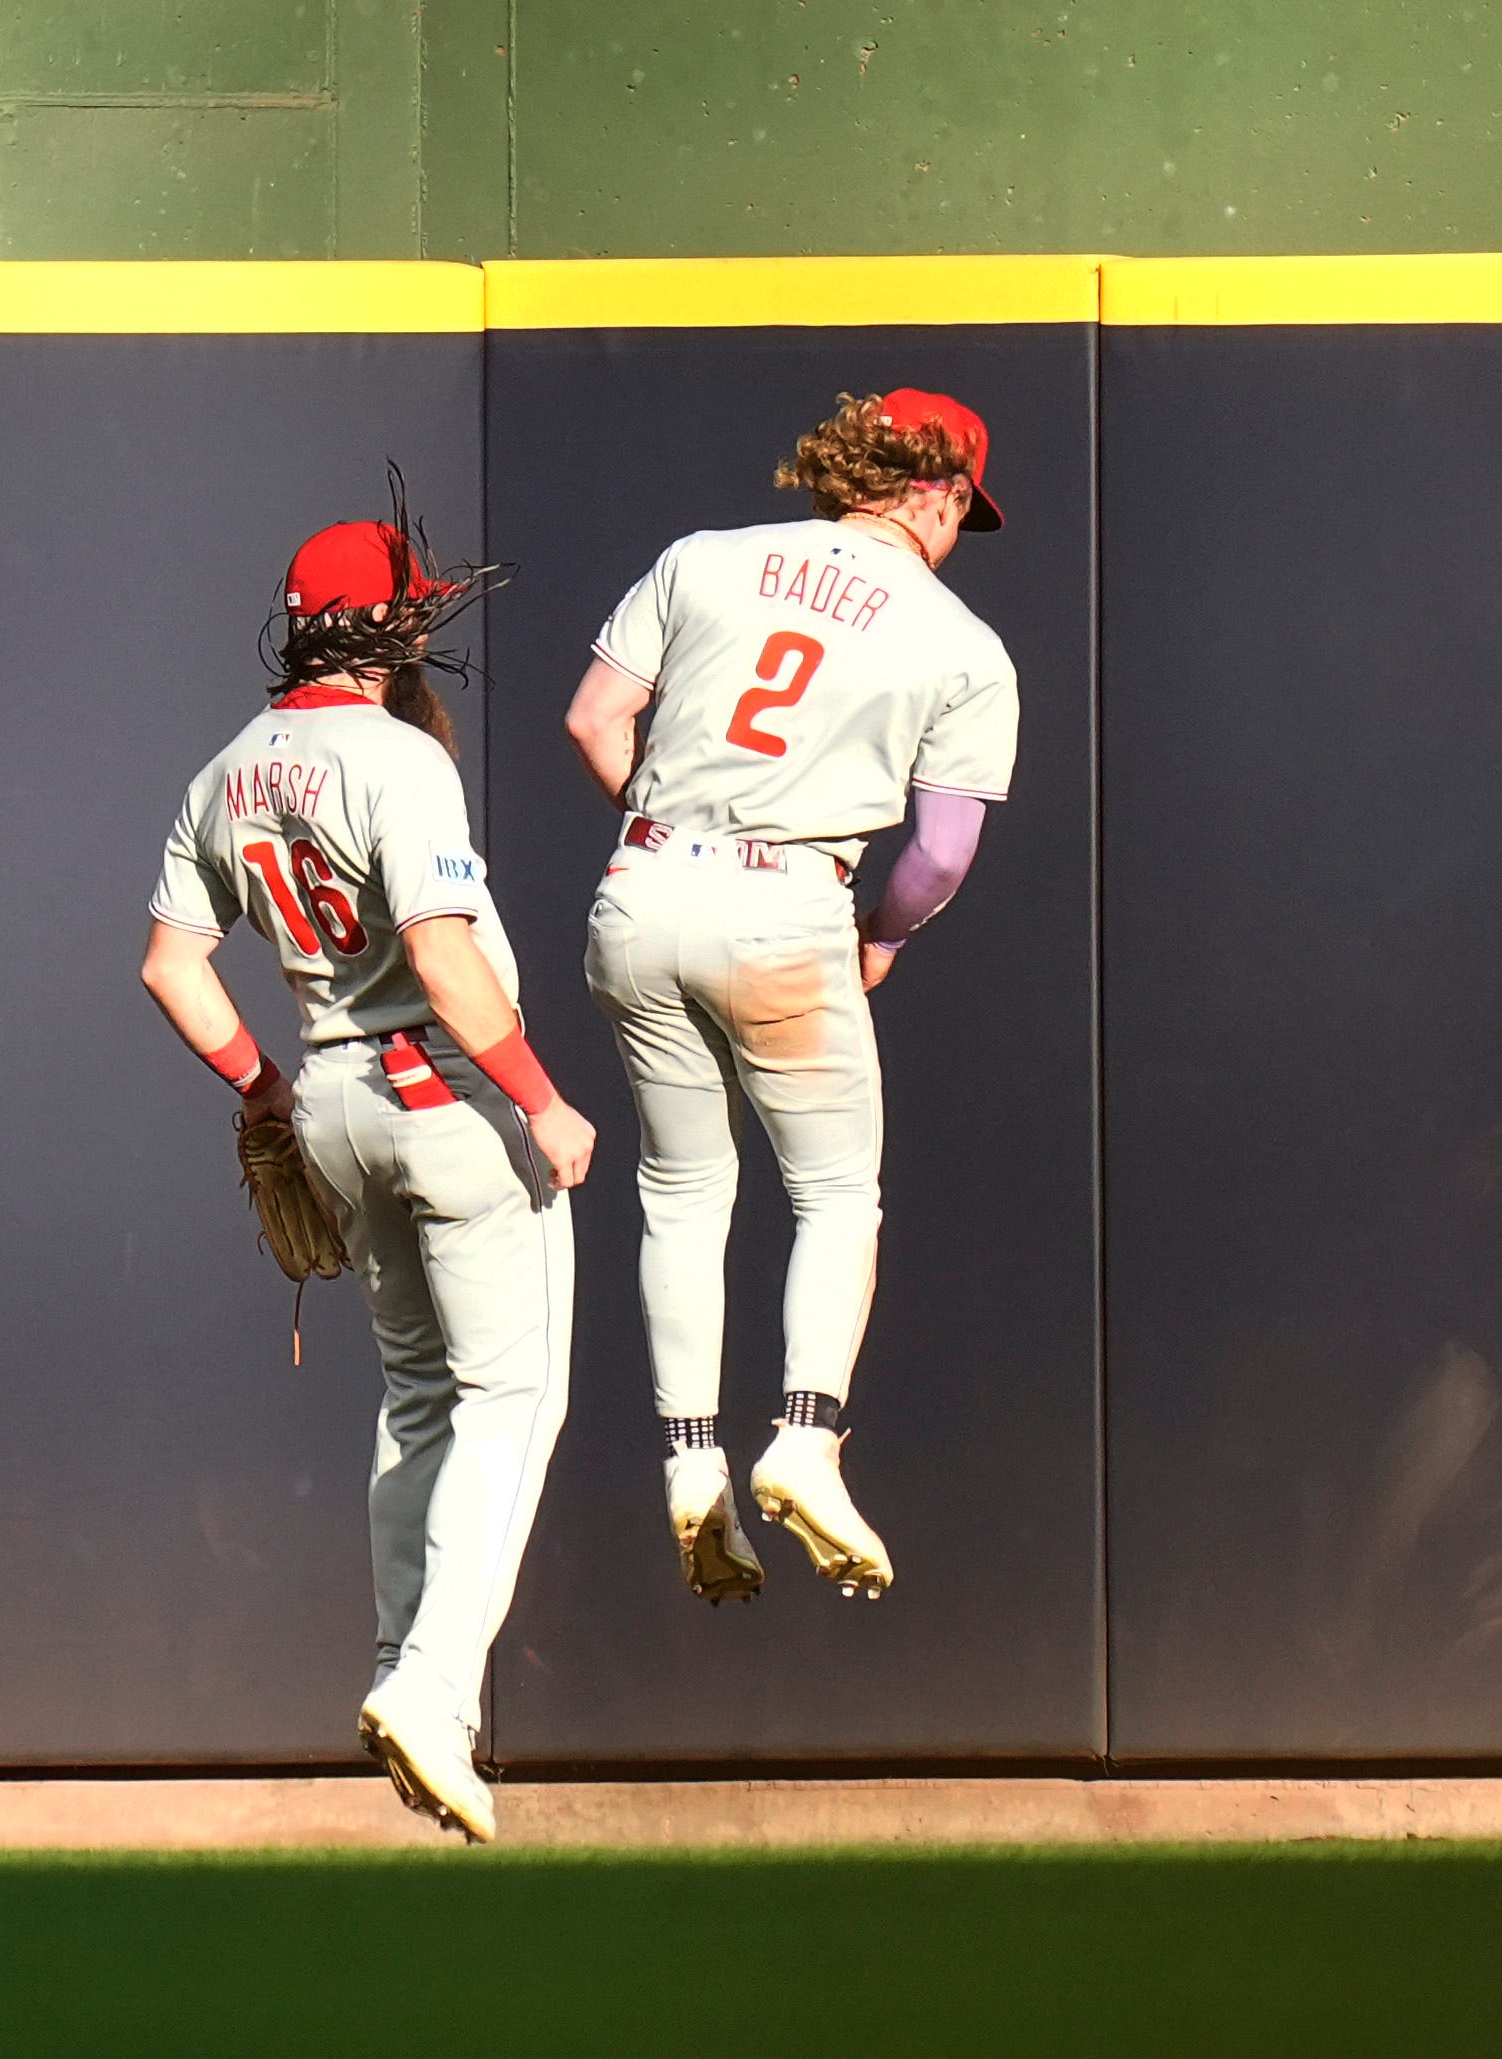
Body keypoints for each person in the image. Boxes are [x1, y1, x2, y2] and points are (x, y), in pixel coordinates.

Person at [141, 491, 593, 1842]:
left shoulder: (226, 765)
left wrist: (265, 1091)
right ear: (392, 629)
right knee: (511, 1394)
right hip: (440, 1090)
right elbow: (447, 961)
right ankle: (434, 1686)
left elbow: (172, 962)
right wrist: (544, 1098)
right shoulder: (398, 759)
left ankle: (403, 1656)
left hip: (329, 1094)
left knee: (415, 1397)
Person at [563, 390, 1019, 1607]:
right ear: (933, 490)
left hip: (645, 884)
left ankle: (687, 1452)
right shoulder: (961, 641)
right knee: (833, 1193)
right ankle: (808, 1435)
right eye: (960, 507)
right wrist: (883, 931)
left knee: (682, 1192)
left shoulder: (703, 560)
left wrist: (673, 844)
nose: (955, 529)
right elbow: (939, 854)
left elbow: (595, 718)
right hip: (789, 902)